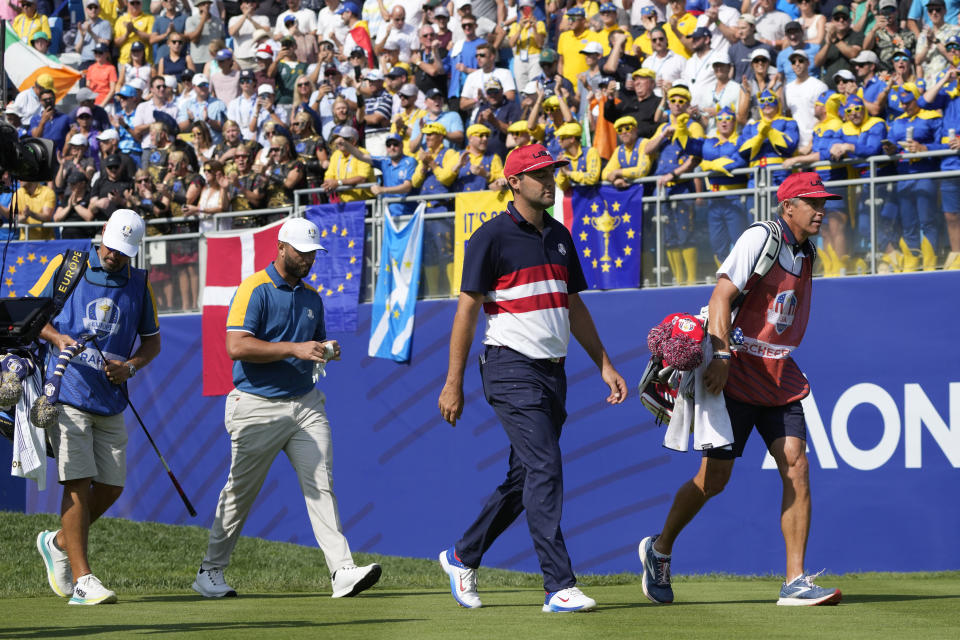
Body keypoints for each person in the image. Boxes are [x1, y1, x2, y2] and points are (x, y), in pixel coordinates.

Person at [437, 143, 627, 613]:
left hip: (552, 373)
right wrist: (452, 382)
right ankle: (558, 585)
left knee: (526, 477)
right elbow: (466, 312)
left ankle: (462, 556)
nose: (550, 180)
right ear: (514, 182)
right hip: (509, 368)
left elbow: (573, 305)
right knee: (545, 467)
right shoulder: (491, 237)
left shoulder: (561, 235)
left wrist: (604, 362)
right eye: (540, 173)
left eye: (554, 172)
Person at [637, 172, 842, 608]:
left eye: (823, 201)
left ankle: (795, 581)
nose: (821, 209)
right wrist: (723, 357)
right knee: (715, 480)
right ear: (788, 206)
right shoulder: (761, 237)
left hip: (778, 374)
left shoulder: (807, 252)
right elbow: (720, 297)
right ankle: (659, 549)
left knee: (796, 465)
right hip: (733, 371)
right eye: (812, 201)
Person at [192, 217, 381, 599]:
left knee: (321, 485)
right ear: (281, 248)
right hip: (257, 405)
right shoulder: (254, 289)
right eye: (301, 252)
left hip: (305, 404)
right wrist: (294, 348)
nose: (308, 259)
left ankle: (342, 570)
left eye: (312, 254)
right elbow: (237, 347)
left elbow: (311, 343)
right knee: (240, 493)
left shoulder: (312, 297)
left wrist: (325, 350)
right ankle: (209, 572)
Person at [33, 209, 161, 606]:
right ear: (101, 233)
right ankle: (83, 579)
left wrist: (131, 368)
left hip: (111, 399)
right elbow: (32, 316)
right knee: (77, 480)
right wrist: (57, 339)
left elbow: (152, 343)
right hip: (67, 390)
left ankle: (56, 542)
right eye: (111, 247)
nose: (114, 256)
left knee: (111, 485)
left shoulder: (139, 283)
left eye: (124, 252)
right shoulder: (67, 265)